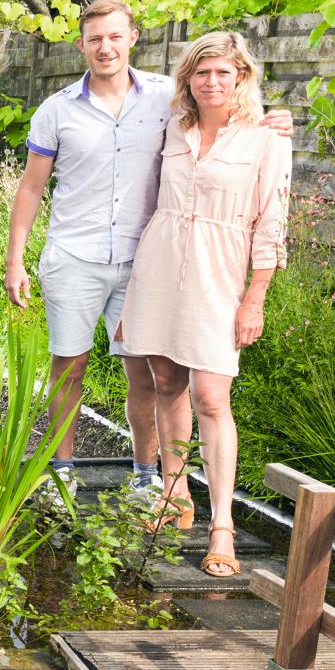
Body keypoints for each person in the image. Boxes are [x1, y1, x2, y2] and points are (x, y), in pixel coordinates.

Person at [3, 0, 289, 502]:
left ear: (133, 37)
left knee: (149, 373)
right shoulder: (57, 109)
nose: (105, 47)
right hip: (74, 254)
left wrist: (272, 123)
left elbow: (224, 121)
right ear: (81, 45)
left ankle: (144, 474)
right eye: (95, 39)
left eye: (115, 36)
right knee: (68, 366)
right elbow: (30, 188)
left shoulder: (164, 99)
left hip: (144, 261)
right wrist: (15, 259)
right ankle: (63, 469)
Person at [116, 30, 292, 577]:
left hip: (220, 273)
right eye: (201, 72)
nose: (212, 82)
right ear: (187, 80)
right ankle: (174, 495)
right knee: (165, 382)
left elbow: (272, 224)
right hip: (159, 266)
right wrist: (129, 294)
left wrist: (254, 298)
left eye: (223, 72)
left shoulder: (266, 139)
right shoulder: (174, 129)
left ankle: (222, 524)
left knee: (212, 395)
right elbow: (148, 207)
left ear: (241, 77)